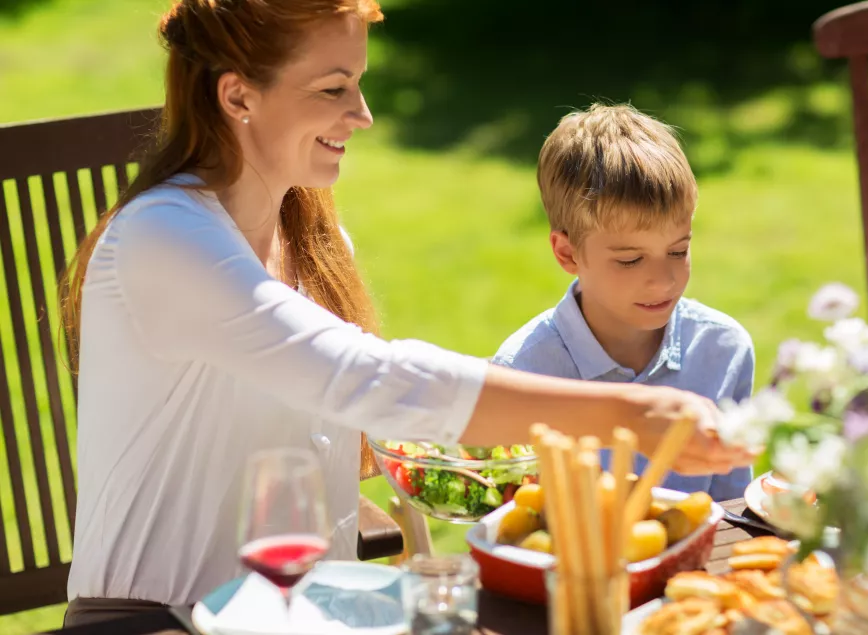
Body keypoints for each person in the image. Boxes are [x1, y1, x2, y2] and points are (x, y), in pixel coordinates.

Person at [60, 1, 752, 625]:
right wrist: (625, 412)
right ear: (237, 94)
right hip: (155, 618)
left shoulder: (314, 239)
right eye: (333, 89)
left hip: (304, 610)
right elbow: (366, 377)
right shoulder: (164, 237)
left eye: (358, 85)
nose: (361, 114)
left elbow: (353, 415)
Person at [493, 104, 755, 501]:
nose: (663, 280)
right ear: (567, 254)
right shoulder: (522, 373)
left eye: (678, 251)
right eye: (630, 260)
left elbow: (733, 508)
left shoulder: (723, 350)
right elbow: (513, 524)